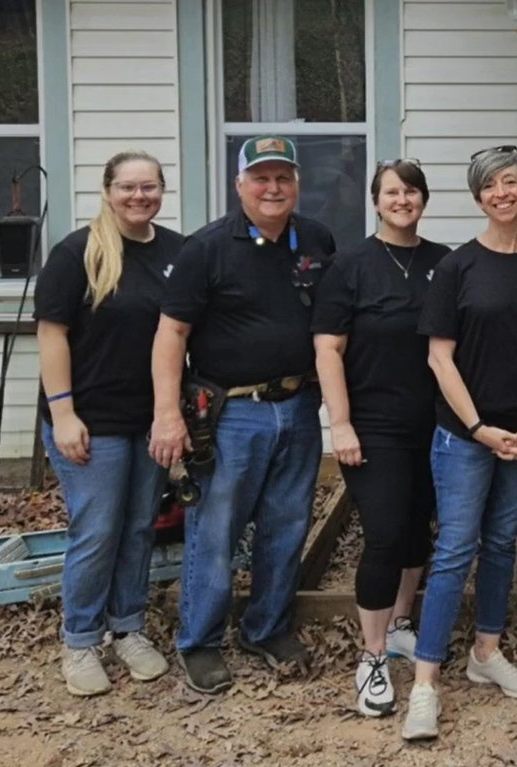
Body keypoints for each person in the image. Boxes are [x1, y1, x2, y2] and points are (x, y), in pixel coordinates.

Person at [400, 146, 517, 741]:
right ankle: (425, 684)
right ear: (478, 198)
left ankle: (486, 651)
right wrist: (478, 427)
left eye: (513, 182)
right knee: (454, 549)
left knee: (502, 541)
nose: (503, 193)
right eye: (491, 186)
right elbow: (438, 356)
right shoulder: (458, 267)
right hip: (464, 438)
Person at [149, 135, 336, 694]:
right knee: (217, 528)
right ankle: (199, 641)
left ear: (296, 183)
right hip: (232, 413)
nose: (273, 187)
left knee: (287, 524)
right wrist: (166, 413)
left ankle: (266, 628)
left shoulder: (318, 240)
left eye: (283, 177)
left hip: (300, 407)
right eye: (261, 177)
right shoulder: (205, 248)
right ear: (239, 185)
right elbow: (170, 334)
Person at [34, 150, 183, 697]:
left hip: (149, 420)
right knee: (97, 531)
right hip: (89, 421)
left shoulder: (176, 252)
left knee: (140, 527)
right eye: (128, 187)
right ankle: (79, 639)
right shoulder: (77, 253)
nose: (139, 196)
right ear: (107, 190)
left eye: (149, 187)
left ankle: (128, 627)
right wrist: (65, 412)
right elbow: (51, 335)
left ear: (162, 190)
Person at [312, 159, 450, 718]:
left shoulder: (445, 262)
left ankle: (398, 625)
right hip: (373, 425)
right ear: (375, 201)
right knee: (387, 536)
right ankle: (370, 658)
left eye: (411, 191)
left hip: (437, 424)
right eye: (392, 191)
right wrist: (339, 423)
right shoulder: (349, 267)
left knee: (419, 533)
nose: (403, 199)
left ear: (423, 199)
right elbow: (328, 349)